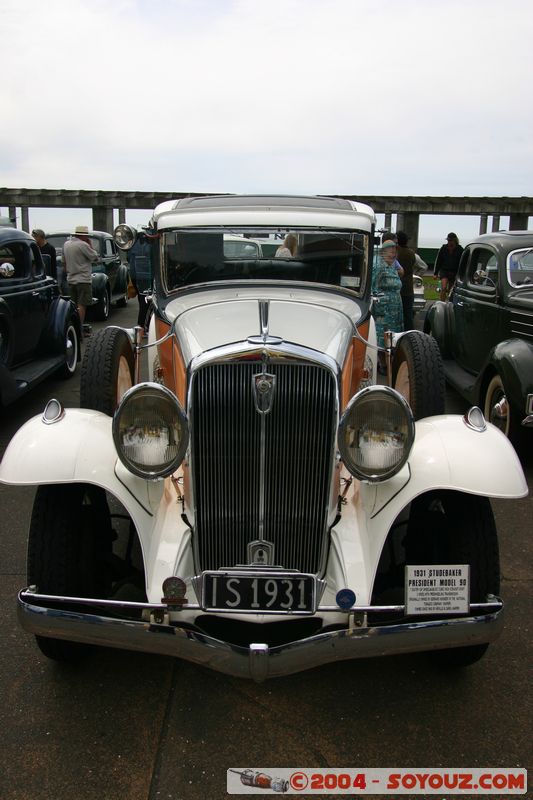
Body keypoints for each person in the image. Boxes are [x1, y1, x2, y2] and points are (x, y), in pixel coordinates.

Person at [372, 240, 404, 372]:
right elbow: (373, 287)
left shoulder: (391, 266)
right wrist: (379, 302)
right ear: (383, 252)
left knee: (392, 336)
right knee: (383, 337)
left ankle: (389, 363)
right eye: (391, 252)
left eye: (394, 252)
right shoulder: (379, 266)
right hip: (384, 310)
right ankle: (383, 365)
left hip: (394, 310)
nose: (393, 254)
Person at [62, 225, 98, 325]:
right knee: (82, 305)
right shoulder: (83, 245)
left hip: (71, 278)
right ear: (84, 235)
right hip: (83, 279)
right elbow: (94, 257)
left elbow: (63, 262)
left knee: (73, 305)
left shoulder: (66, 244)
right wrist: (90, 245)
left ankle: (73, 325)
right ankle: (80, 326)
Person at [127, 233, 153, 329]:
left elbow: (128, 258)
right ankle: (143, 325)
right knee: (147, 302)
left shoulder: (132, 245)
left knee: (142, 301)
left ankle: (142, 324)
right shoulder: (150, 244)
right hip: (147, 277)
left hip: (135, 276)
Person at [396, 230, 416, 331]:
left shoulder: (395, 253)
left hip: (397, 288)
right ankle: (409, 335)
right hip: (408, 288)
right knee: (408, 315)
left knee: (396, 315)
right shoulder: (411, 253)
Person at [434, 232, 463, 300]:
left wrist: (460, 274)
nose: (449, 242)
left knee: (451, 290)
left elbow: (462, 263)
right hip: (444, 270)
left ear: (455, 240)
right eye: (448, 240)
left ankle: (449, 303)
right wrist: (435, 273)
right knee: (443, 288)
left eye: (450, 240)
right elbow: (439, 260)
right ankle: (442, 302)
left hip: (454, 271)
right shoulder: (443, 248)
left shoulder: (460, 249)